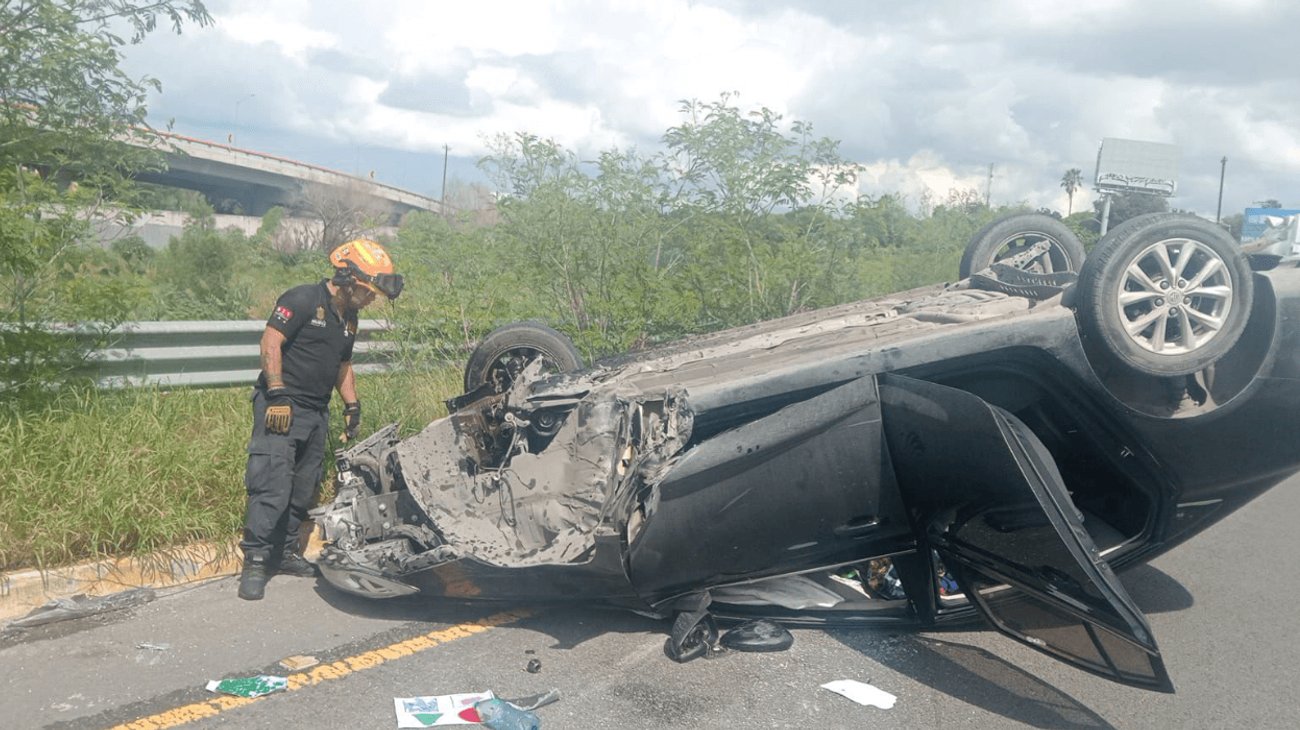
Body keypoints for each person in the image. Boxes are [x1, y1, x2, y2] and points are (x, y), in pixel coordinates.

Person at [237, 239, 403, 600]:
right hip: (282, 407)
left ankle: (283, 554)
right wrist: (277, 393)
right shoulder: (301, 299)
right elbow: (270, 343)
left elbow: (343, 365)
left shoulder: (350, 318)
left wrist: (352, 406)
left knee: (303, 487)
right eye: (367, 291)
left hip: (315, 412)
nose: (370, 298)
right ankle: (255, 561)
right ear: (348, 279)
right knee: (272, 484)